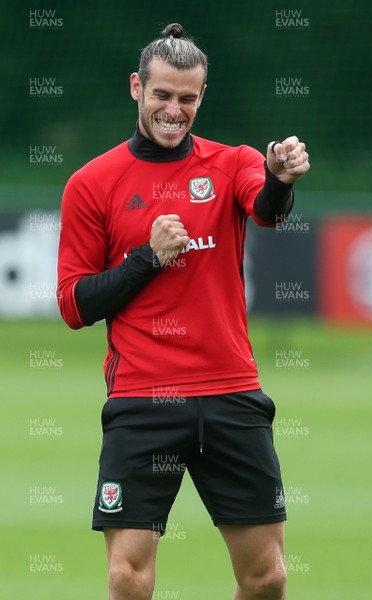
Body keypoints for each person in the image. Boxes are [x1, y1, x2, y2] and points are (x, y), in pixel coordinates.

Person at [57, 22, 309, 600]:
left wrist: (279, 178)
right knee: (127, 579)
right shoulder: (92, 183)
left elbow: (268, 209)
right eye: (163, 95)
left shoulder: (232, 162)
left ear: (201, 97)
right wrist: (147, 258)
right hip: (142, 397)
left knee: (267, 577)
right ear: (136, 89)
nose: (175, 109)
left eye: (188, 98)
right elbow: (74, 304)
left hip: (231, 392)